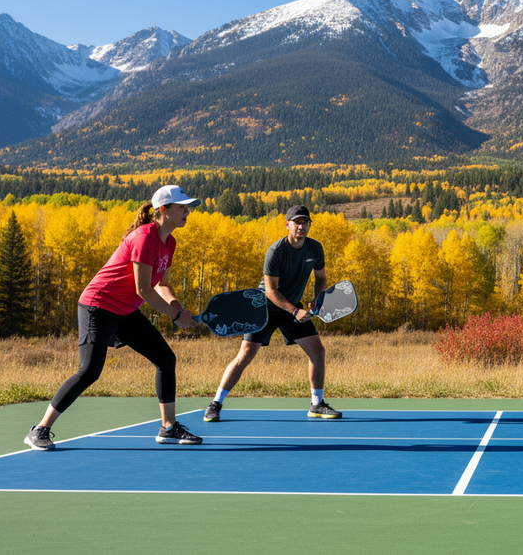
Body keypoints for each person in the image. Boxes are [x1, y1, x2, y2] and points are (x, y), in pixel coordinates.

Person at [24, 185, 204, 450]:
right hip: (97, 306)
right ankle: (40, 429)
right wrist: (175, 316)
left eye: (188, 207)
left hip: (125, 310)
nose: (187, 212)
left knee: (165, 359)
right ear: (163, 210)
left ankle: (168, 428)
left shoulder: (170, 242)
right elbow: (142, 289)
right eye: (182, 207)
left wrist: (178, 307)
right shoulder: (144, 237)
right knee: (89, 372)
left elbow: (161, 285)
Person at [203, 205, 341, 422]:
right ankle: (215, 404)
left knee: (318, 351)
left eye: (305, 222)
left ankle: (317, 404)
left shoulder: (315, 248)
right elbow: (270, 291)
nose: (302, 226)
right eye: (297, 222)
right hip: (264, 309)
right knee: (245, 356)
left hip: (293, 308)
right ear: (288, 225)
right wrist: (295, 311)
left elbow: (321, 278)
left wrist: (318, 298)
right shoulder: (276, 251)